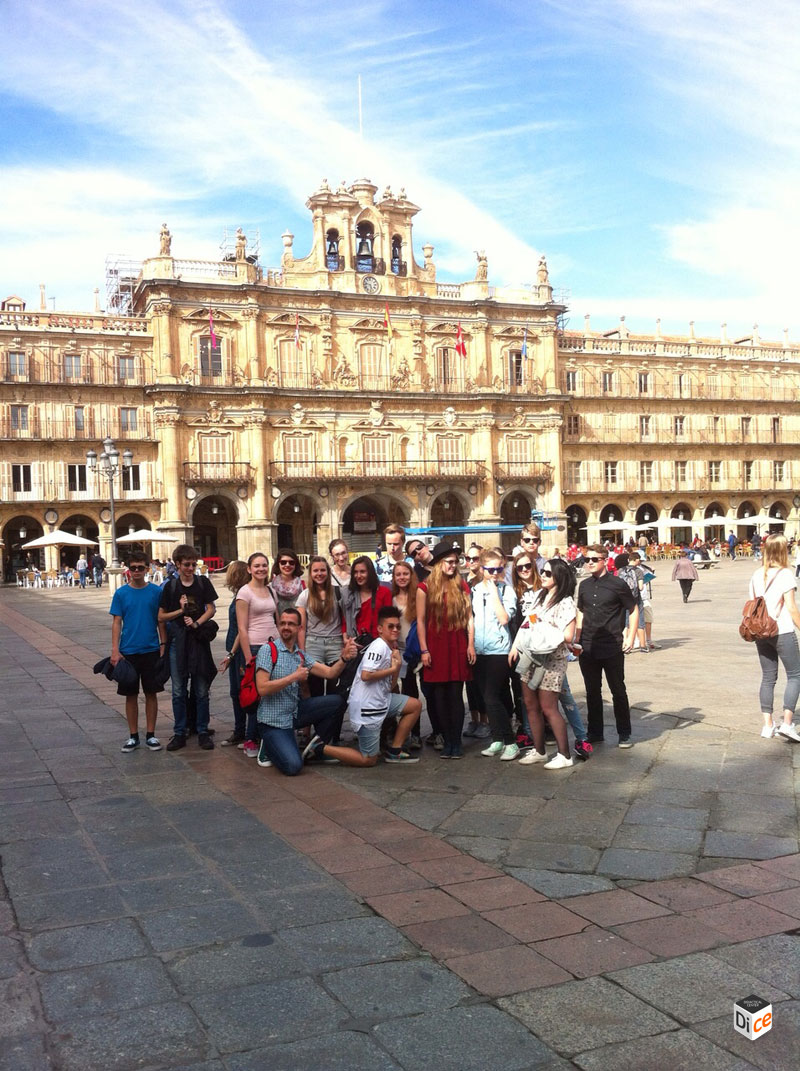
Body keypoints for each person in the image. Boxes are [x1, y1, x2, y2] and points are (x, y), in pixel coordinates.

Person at [304, 607, 423, 766]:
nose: (395, 630)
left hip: (381, 701)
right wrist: (393, 669)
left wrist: (396, 666)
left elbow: (389, 686)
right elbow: (366, 675)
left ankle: (395, 750)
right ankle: (320, 748)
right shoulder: (379, 647)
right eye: (390, 626)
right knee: (368, 759)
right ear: (380, 629)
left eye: (398, 626)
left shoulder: (389, 648)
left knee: (415, 705)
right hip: (367, 708)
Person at [254, 608, 357, 775]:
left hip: (294, 714)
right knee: (293, 766)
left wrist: (344, 658)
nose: (286, 627)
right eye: (283, 623)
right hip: (272, 721)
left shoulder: (300, 655)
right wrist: (293, 677)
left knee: (337, 701)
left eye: (291, 624)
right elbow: (262, 688)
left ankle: (317, 746)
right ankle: (268, 744)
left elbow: (330, 673)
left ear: (299, 628)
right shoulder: (268, 650)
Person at [515, 557, 578, 768]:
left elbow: (569, 636)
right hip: (532, 656)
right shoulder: (540, 596)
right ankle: (539, 750)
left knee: (548, 707)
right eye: (543, 571)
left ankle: (564, 755)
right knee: (530, 704)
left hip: (552, 659)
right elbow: (527, 621)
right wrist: (515, 645)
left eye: (548, 573)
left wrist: (543, 627)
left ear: (559, 577)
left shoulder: (566, 601)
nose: (542, 575)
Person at [417, 541, 475, 758]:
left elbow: (470, 617)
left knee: (455, 694)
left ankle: (456, 741)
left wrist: (470, 643)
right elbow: (421, 621)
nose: (453, 566)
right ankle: (447, 738)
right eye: (449, 562)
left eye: (456, 562)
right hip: (435, 644)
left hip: (457, 643)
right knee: (439, 696)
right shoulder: (424, 588)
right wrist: (424, 650)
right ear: (439, 563)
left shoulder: (462, 585)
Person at [575, 544, 638, 748]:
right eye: (587, 560)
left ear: (605, 560)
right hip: (588, 645)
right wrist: (576, 639)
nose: (590, 563)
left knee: (618, 690)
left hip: (612, 645)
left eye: (594, 559)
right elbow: (581, 612)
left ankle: (624, 733)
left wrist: (630, 636)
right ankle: (595, 732)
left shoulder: (618, 584)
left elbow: (633, 609)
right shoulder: (583, 585)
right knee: (592, 692)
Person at [158, 544, 218, 751]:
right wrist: (180, 611)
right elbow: (161, 616)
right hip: (178, 643)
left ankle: (202, 730)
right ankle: (179, 731)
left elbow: (211, 608)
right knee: (178, 690)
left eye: (193, 564)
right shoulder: (171, 587)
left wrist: (197, 623)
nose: (190, 568)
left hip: (198, 641)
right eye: (186, 564)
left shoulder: (203, 583)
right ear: (177, 565)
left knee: (201, 689)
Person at [110, 551, 167, 753]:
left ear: (147, 569)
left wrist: (163, 644)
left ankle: (151, 735)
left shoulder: (156, 592)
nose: (136, 571)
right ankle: (133, 735)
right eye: (133, 567)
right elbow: (117, 622)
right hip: (128, 651)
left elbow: (161, 620)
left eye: (140, 567)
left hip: (151, 649)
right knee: (130, 694)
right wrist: (115, 650)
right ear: (128, 569)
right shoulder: (121, 593)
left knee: (151, 692)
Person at [749, 534, 800, 742]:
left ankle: (768, 726)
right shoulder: (786, 574)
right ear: (783, 550)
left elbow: (753, 604)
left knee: (768, 677)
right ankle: (787, 724)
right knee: (796, 675)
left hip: (761, 632)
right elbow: (791, 607)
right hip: (782, 630)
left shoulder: (755, 574)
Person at [472, 549, 518, 761]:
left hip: (499, 650)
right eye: (490, 569)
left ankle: (510, 741)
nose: (495, 573)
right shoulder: (474, 590)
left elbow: (504, 618)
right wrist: (469, 645)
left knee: (492, 696)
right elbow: (470, 619)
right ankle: (497, 738)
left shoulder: (506, 590)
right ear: (482, 569)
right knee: (488, 697)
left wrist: (494, 594)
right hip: (479, 649)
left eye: (499, 569)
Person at [234, 552, 278, 756]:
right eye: (257, 566)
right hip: (254, 647)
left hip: (272, 647)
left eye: (264, 565)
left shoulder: (271, 590)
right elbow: (242, 628)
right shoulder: (244, 593)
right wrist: (247, 657)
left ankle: (265, 735)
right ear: (249, 569)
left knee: (270, 693)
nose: (261, 569)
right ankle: (250, 739)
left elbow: (275, 619)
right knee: (255, 694)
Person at [297, 556, 345, 697]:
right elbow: (301, 627)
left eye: (323, 570)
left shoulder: (339, 592)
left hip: (335, 644)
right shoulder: (304, 596)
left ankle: (333, 720)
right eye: (315, 570)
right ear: (310, 573)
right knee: (315, 690)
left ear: (328, 572)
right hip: (313, 644)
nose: (319, 574)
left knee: (335, 692)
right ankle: (318, 719)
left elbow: (344, 620)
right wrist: (301, 652)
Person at [218, 560, 249, 748]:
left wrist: (232, 653)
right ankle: (241, 730)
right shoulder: (239, 594)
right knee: (235, 692)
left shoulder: (243, 596)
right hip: (235, 650)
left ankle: (243, 732)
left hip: (239, 652)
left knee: (240, 692)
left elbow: (241, 628)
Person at [340, 556, 393, 638]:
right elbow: (345, 620)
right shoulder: (349, 594)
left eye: (362, 572)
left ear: (370, 572)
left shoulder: (384, 593)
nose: (358, 576)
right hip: (354, 642)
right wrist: (346, 639)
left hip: (378, 643)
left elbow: (389, 620)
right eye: (355, 572)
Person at [269, 549, 306, 616]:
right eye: (283, 562)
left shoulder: (303, 585)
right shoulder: (271, 586)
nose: (287, 565)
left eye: (291, 562)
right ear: (278, 564)